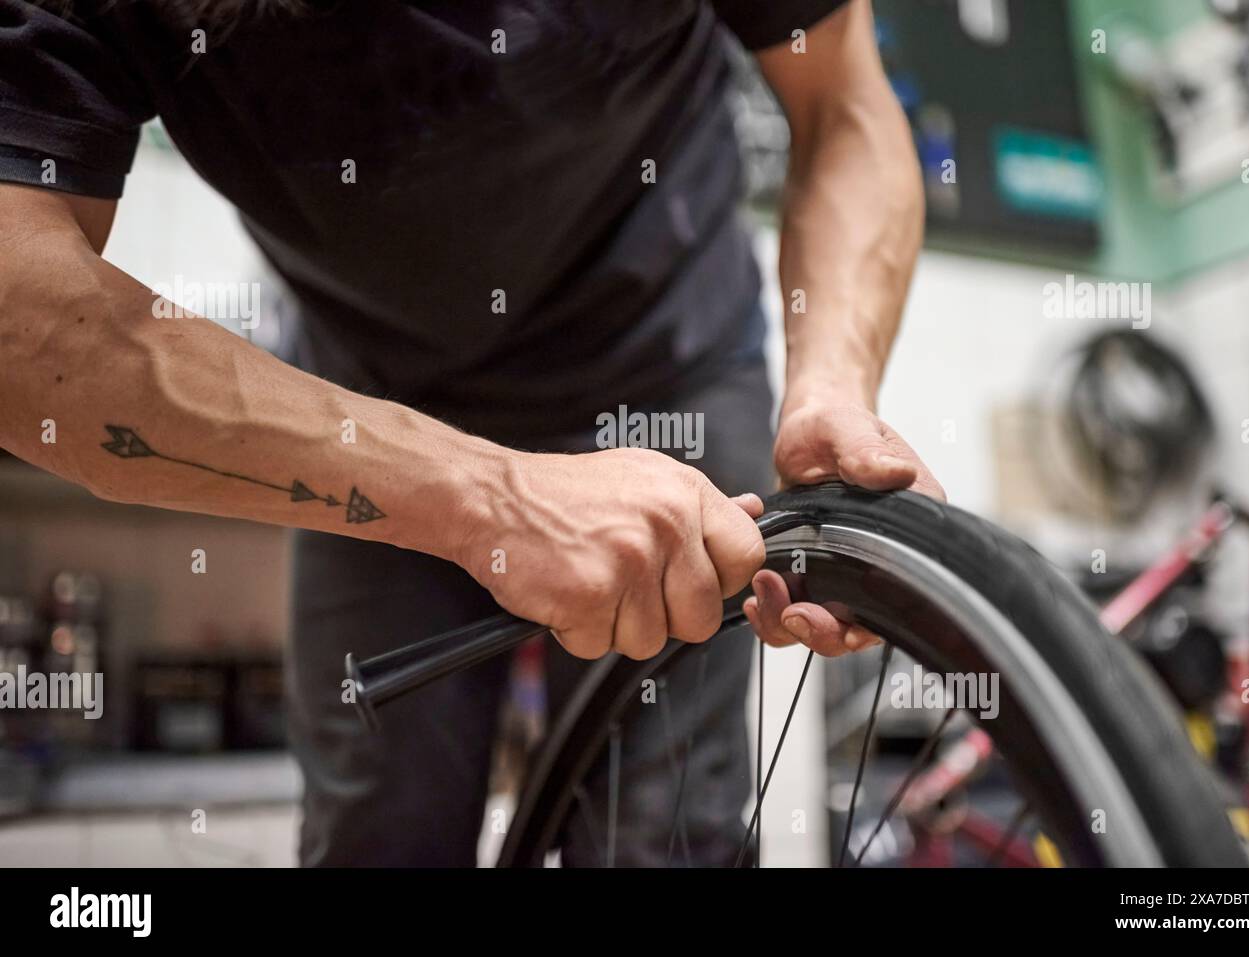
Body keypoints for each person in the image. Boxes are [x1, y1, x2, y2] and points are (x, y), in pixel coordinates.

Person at [0, 0, 941, 865]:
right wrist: (488, 498)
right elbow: (18, 314)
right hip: (375, 399)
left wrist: (835, 390)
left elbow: (844, 101)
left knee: (656, 835)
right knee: (381, 834)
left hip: (670, 360)